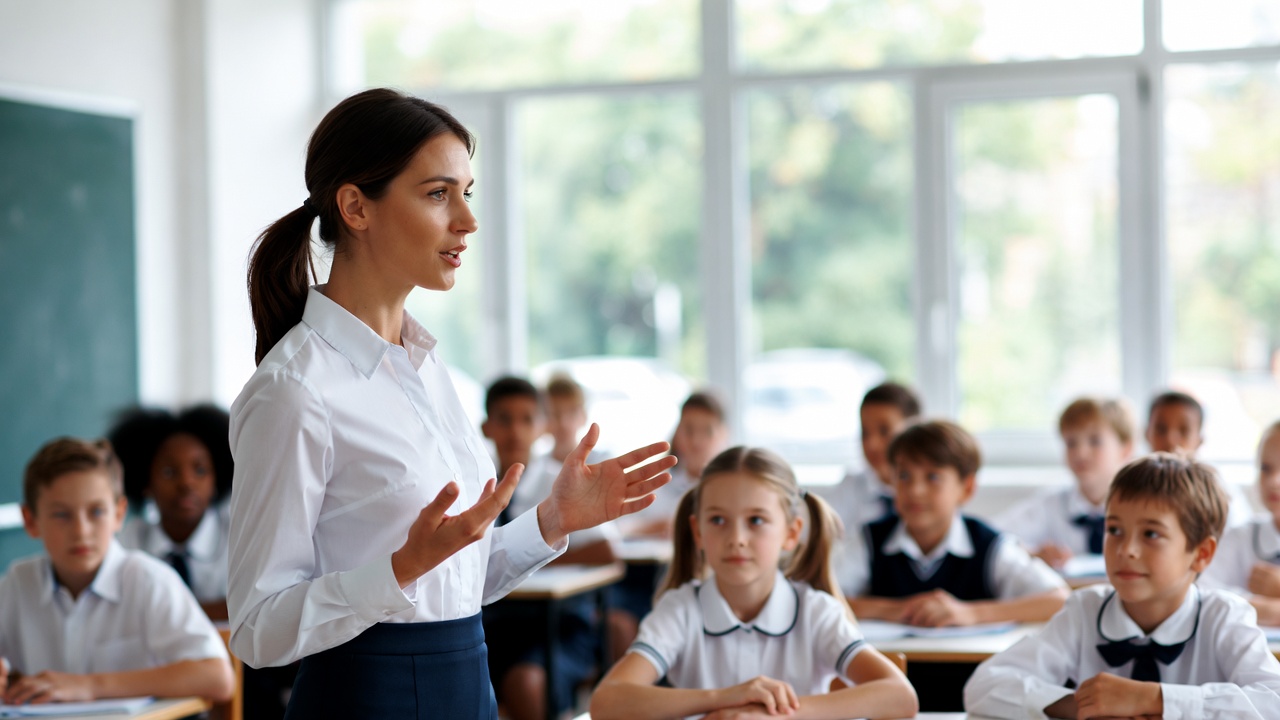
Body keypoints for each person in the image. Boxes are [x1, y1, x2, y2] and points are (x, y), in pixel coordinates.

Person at [227, 87, 674, 719]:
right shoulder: (294, 391)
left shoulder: (427, 368)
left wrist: (551, 521)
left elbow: (454, 583)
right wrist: (398, 568)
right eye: (438, 194)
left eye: (467, 193)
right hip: (363, 701)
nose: (466, 220)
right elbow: (256, 628)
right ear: (355, 206)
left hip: (468, 686)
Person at [589, 446, 919, 720]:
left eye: (756, 520)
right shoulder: (681, 609)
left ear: (791, 533)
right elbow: (607, 702)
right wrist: (725, 698)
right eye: (718, 520)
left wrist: (771, 715)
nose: (737, 538)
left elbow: (900, 697)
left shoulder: (815, 612)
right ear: (698, 531)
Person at [964, 453, 1280, 719]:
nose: (1126, 549)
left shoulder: (1224, 617)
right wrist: (1081, 705)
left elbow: (1274, 701)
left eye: (1151, 534)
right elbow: (983, 686)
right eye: (1114, 529)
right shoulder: (1084, 610)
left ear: (1201, 554)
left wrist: (1155, 699)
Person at [0, 437, 234, 704]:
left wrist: (89, 686)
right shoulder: (18, 584)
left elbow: (217, 678)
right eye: (61, 515)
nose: (81, 531)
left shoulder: (148, 580)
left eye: (96, 511)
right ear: (30, 520)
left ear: (119, 514)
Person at [843, 420, 1068, 625]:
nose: (915, 490)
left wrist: (972, 613)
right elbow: (819, 596)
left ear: (966, 487)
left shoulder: (990, 546)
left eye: (932, 477)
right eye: (904, 476)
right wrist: (895, 609)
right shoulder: (869, 540)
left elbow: (1059, 598)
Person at [480, 376, 609, 720]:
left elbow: (605, 551)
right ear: (486, 427)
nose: (515, 432)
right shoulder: (473, 485)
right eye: (504, 419)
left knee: (525, 683)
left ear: (542, 427)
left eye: (527, 420)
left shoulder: (561, 481)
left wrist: (530, 554)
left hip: (557, 625)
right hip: (492, 625)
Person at [108, 405, 233, 620]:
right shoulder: (131, 540)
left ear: (217, 479)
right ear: (145, 481)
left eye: (200, 470)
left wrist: (164, 617)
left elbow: (250, 609)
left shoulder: (238, 534)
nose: (186, 483)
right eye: (169, 472)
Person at [996, 397, 1135, 568]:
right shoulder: (1050, 505)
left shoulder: (1141, 506)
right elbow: (995, 538)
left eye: (1094, 441)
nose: (1081, 453)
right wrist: (1033, 553)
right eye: (1071, 443)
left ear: (1125, 448)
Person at [816, 382, 921, 535]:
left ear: (914, 430)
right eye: (865, 433)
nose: (871, 444)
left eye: (884, 431)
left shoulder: (929, 493)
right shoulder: (851, 487)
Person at [1202, 420, 1280, 624]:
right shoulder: (1241, 536)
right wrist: (1267, 610)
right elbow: (1201, 588)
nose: (1274, 481)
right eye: (1266, 468)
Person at [1146, 390, 1252, 528]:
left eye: (1184, 430)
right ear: (1146, 434)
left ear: (1200, 440)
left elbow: (1238, 532)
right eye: (1161, 429)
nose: (1171, 439)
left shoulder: (1219, 489)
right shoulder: (1132, 484)